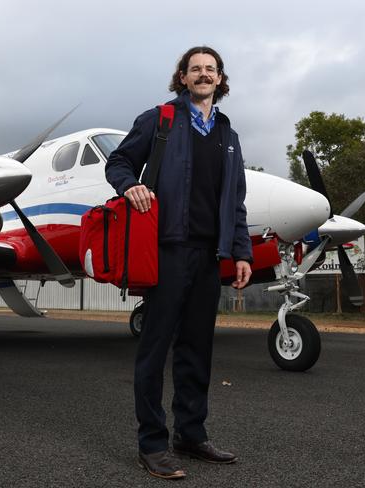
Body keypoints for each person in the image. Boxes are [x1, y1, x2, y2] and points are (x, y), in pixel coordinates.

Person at [105, 46, 253, 480]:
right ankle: (152, 444)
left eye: (211, 69)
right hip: (167, 249)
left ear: (220, 79)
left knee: (196, 350)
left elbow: (236, 202)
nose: (204, 75)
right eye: (196, 69)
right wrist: (129, 185)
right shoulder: (160, 120)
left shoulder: (229, 136)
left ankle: (190, 435)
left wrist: (241, 250)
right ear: (183, 78)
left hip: (209, 255)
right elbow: (119, 160)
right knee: (154, 350)